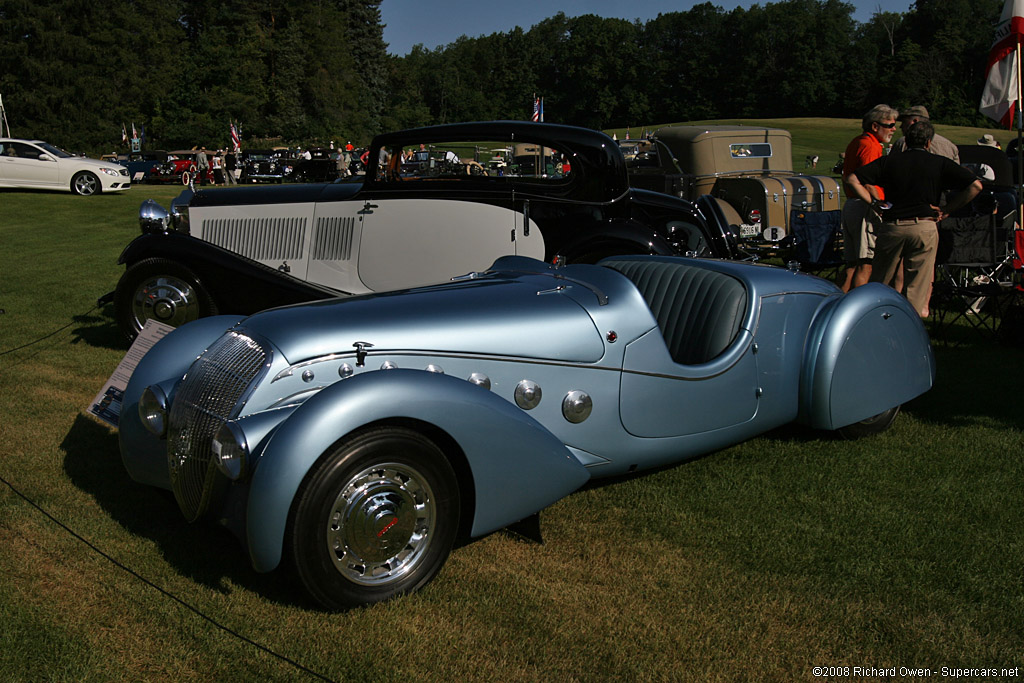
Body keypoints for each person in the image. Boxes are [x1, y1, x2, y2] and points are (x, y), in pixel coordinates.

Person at [846, 121, 982, 317]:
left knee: (880, 281)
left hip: (893, 226)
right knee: (917, 285)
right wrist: (947, 209)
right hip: (924, 225)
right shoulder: (939, 163)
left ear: (906, 141)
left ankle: (875, 318)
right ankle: (911, 326)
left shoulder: (889, 161)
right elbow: (975, 186)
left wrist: (874, 203)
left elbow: (852, 179)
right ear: (928, 142)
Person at [840, 104, 900, 291]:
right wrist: (879, 206)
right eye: (889, 125)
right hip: (865, 206)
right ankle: (860, 307)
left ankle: (837, 303)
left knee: (852, 263)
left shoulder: (857, 141)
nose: (894, 129)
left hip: (853, 204)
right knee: (866, 262)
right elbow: (868, 181)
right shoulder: (870, 145)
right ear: (875, 126)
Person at [891, 106, 959, 163]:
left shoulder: (902, 143)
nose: (901, 126)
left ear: (915, 121)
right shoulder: (950, 146)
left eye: (904, 122)